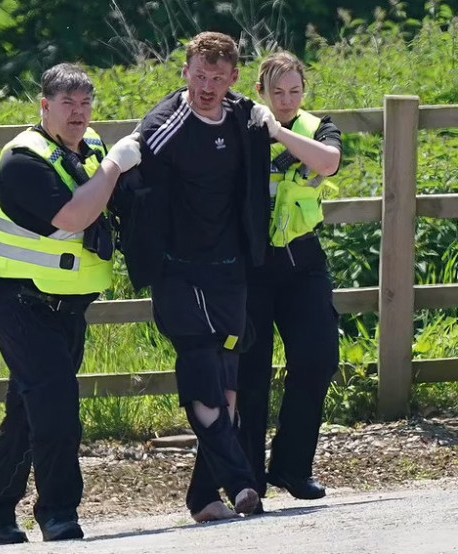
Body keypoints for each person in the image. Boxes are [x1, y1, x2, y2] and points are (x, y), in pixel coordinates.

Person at [0, 63, 141, 545]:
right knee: (57, 407)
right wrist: (114, 167)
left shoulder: (91, 149)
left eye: (85, 103)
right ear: (45, 106)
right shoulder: (23, 160)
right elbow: (73, 216)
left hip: (68, 307)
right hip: (21, 302)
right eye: (67, 103)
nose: (78, 113)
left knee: (29, 411)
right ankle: (59, 514)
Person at [117, 31, 272, 522]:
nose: (207, 87)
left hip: (230, 268)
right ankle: (242, 482)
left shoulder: (243, 117)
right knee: (202, 371)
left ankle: (203, 497)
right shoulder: (165, 125)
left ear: (233, 78)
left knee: (227, 383)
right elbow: (126, 175)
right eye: (199, 76)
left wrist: (269, 121)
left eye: (217, 79)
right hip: (178, 272)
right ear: (185, 72)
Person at [237, 51, 342, 505]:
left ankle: (292, 468)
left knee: (318, 358)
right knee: (250, 372)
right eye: (277, 92)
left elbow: (329, 163)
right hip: (251, 265)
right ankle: (248, 479)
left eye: (294, 91)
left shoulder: (318, 127)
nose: (286, 99)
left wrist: (279, 133)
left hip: (302, 262)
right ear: (260, 91)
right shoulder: (239, 128)